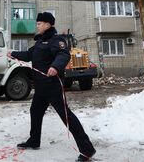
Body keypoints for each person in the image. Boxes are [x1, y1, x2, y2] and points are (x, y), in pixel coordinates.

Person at [10, 12, 96, 162]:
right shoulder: (39, 42)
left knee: (67, 117)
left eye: (39, 23)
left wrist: (55, 67)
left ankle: (87, 150)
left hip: (53, 86)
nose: (37, 25)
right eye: (37, 23)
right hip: (41, 87)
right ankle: (34, 140)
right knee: (35, 111)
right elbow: (29, 55)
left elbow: (64, 54)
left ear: (48, 25)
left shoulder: (56, 40)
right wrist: (13, 53)